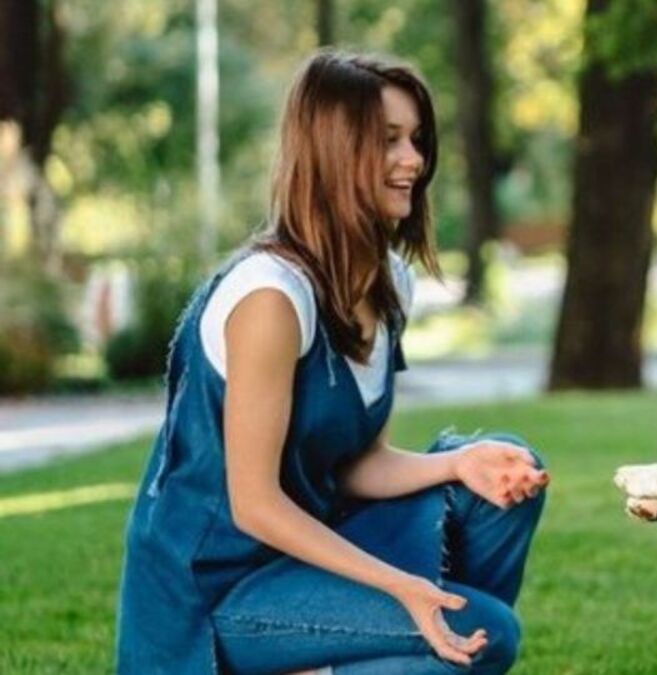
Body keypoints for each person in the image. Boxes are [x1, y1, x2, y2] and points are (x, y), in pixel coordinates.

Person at [115, 51, 549, 675]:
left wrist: (459, 462)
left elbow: (357, 465)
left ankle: (414, 648)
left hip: (313, 548)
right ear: (333, 153)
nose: (415, 161)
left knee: (503, 473)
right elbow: (254, 505)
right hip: (217, 591)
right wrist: (399, 587)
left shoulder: (387, 282)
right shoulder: (269, 297)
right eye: (389, 142)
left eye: (416, 140)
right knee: (485, 631)